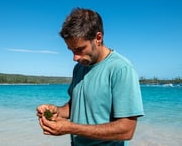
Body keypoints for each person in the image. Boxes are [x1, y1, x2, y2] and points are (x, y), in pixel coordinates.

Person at [37, 8, 144, 146]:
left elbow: (127, 130)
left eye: (80, 49)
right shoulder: (79, 67)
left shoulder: (121, 69)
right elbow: (75, 105)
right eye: (71, 50)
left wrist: (70, 127)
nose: (75, 57)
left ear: (98, 38)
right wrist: (56, 111)